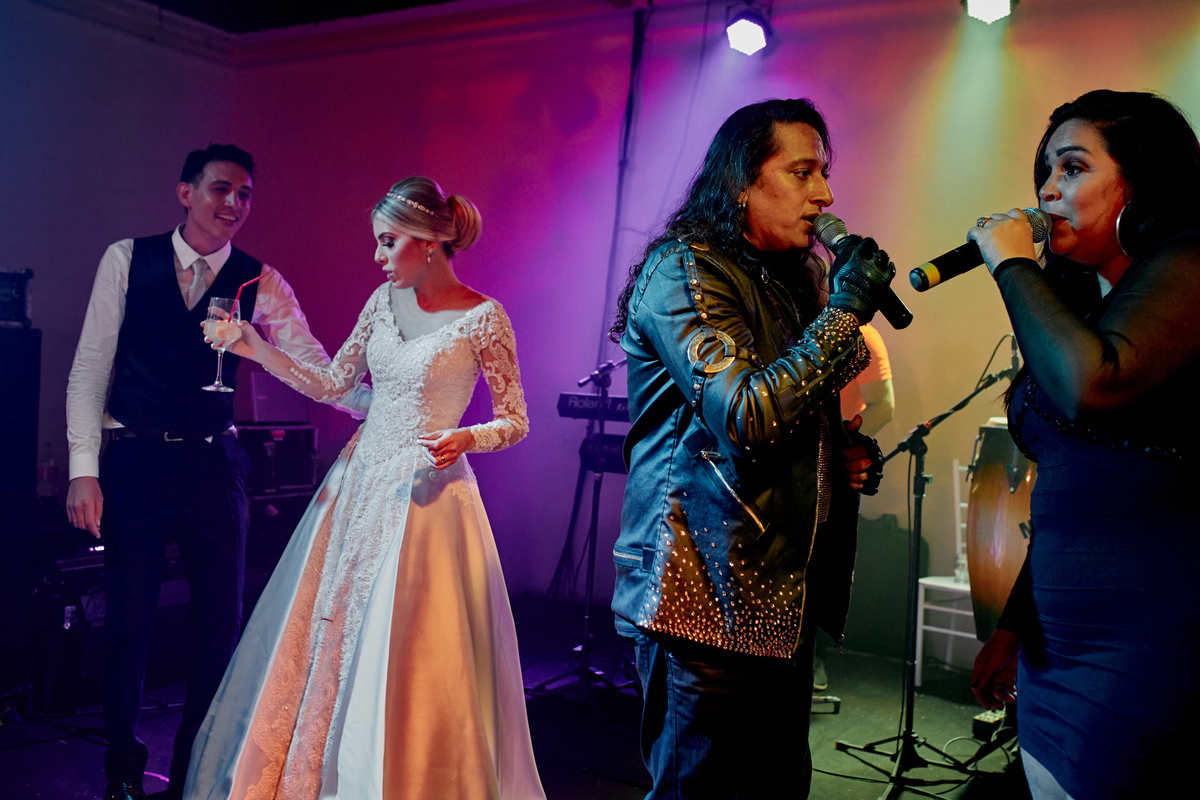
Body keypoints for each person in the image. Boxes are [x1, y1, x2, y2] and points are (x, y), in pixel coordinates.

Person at [183, 177, 544, 800]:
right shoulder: (381, 301)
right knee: (327, 632)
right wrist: (253, 346)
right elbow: (330, 384)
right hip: (358, 483)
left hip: (428, 492)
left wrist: (468, 438)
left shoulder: (485, 318)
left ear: (429, 242)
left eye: (388, 241)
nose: (378, 257)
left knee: (404, 639)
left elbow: (517, 419)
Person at [65, 144, 370, 800]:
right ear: (185, 193)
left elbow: (309, 364)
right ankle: (122, 767)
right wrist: (83, 469)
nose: (234, 204)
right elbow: (91, 367)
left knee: (219, 624)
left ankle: (195, 771)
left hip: (213, 460)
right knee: (130, 622)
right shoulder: (126, 260)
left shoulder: (261, 281)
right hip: (137, 458)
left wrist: (380, 403)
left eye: (246, 194)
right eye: (221, 189)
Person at [609, 98, 895, 799]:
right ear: (741, 180)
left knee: (775, 789)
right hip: (697, 591)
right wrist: (845, 314)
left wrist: (841, 454)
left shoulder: (792, 278)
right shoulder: (684, 271)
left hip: (775, 592)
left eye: (824, 174)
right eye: (802, 172)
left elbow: (798, 413)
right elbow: (746, 412)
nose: (824, 194)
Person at [968, 90, 1200, 799]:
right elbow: (1075, 493)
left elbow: (1094, 385)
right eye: (1045, 171)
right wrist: (1013, 629)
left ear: (1142, 180)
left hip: (1148, 649)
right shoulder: (1089, 311)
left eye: (1072, 168)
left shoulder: (1193, 266)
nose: (1047, 189)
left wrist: (1012, 265)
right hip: (1056, 650)